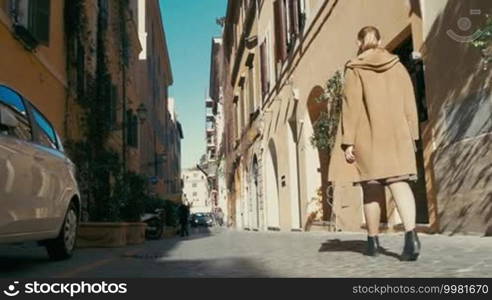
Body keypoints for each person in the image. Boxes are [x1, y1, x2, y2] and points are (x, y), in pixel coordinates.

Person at [329, 26, 421, 261]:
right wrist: (412, 134)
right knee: (399, 182)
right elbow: (410, 101)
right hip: (398, 134)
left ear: (359, 42)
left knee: (371, 187)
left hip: (368, 136)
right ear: (380, 40)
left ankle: (372, 242)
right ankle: (411, 236)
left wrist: (348, 141)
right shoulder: (398, 66)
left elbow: (351, 106)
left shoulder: (355, 68)